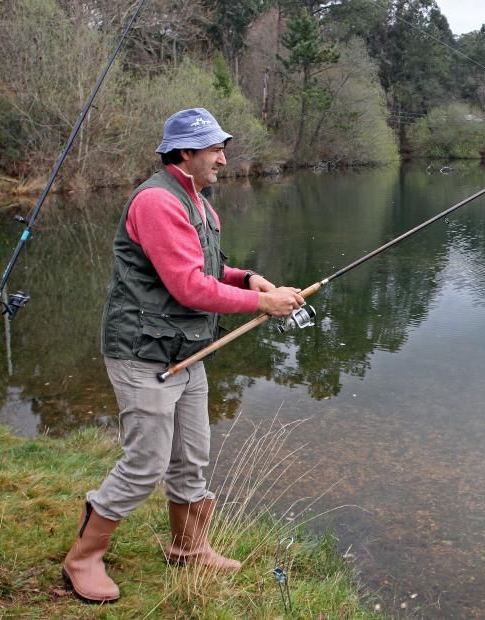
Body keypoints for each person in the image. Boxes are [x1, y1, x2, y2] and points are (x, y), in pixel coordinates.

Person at [61, 108, 304, 604]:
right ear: (185, 153)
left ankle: (188, 549)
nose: (223, 157)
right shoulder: (156, 201)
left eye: (222, 147)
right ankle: (82, 558)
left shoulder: (198, 201)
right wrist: (262, 303)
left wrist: (247, 278)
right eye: (214, 148)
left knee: (191, 457)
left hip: (186, 353)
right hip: (143, 354)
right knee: (146, 462)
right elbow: (189, 286)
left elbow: (209, 267)